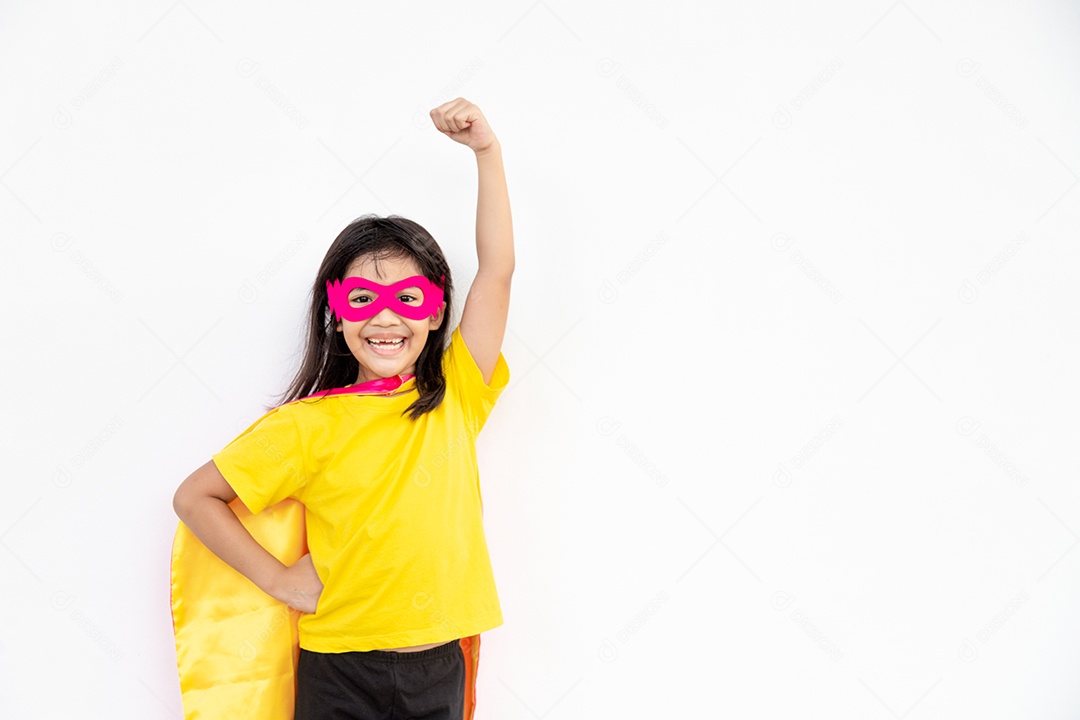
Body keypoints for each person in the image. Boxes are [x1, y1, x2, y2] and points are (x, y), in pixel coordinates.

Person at [171, 97, 514, 720]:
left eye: (408, 298)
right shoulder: (306, 425)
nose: (386, 318)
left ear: (436, 313)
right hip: (337, 667)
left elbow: (497, 270)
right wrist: (277, 580)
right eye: (362, 298)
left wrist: (487, 154)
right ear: (336, 313)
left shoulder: (456, 392)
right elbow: (195, 497)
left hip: (438, 661)